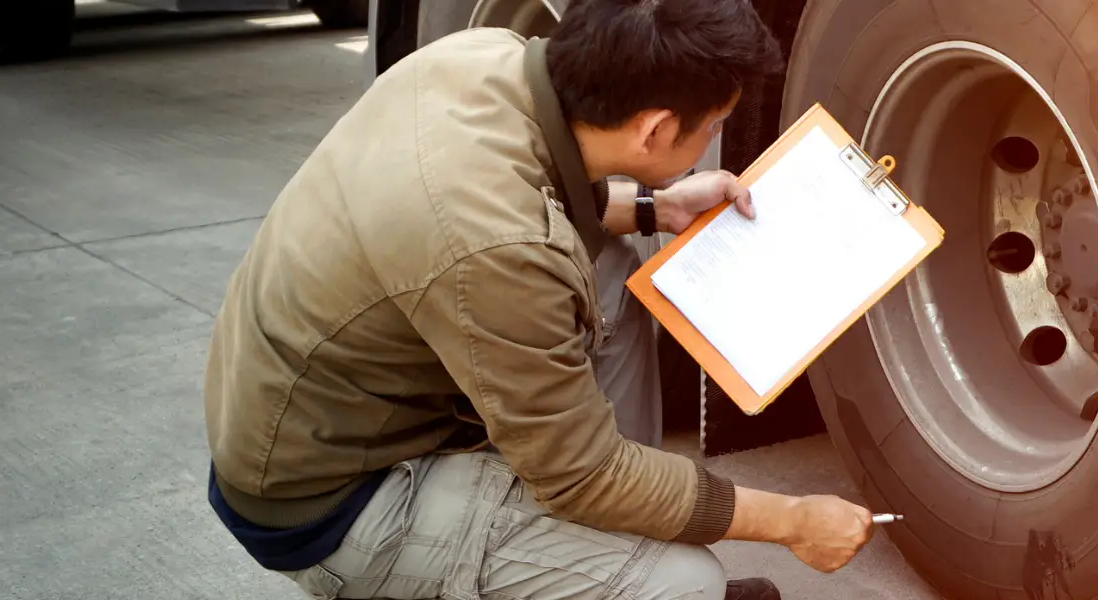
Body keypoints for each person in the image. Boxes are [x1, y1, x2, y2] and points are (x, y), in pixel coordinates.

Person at [200, 1, 875, 598]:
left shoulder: (481, 56)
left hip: (305, 411)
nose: (711, 145)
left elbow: (533, 184)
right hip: (329, 507)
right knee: (684, 582)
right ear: (654, 130)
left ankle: (606, 541)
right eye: (711, 129)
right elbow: (582, 477)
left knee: (608, 269)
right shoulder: (500, 250)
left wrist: (656, 205)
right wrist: (792, 523)